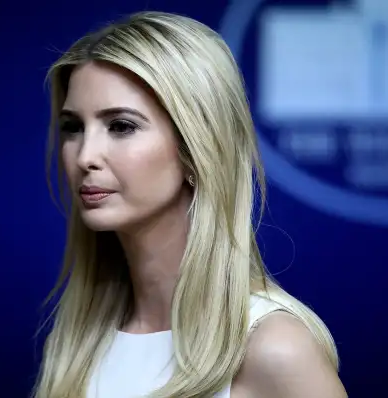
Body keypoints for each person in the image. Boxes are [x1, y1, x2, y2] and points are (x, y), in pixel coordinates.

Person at [34, 11, 347, 398]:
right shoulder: (74, 345)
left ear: (196, 148)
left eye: (121, 126)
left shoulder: (273, 351)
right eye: (73, 127)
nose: (85, 156)